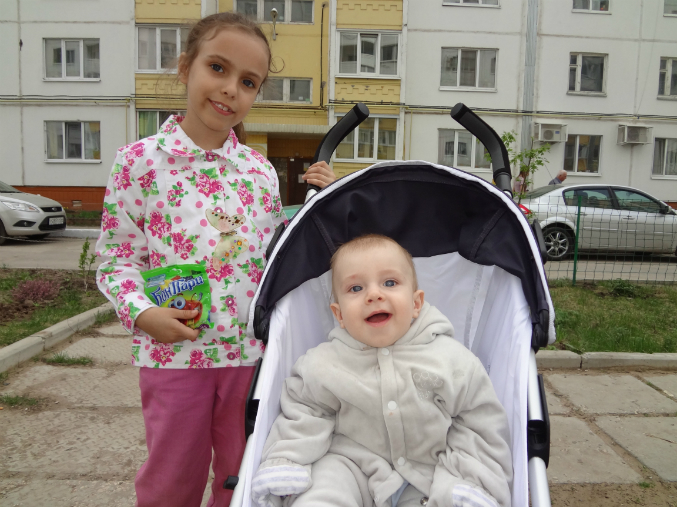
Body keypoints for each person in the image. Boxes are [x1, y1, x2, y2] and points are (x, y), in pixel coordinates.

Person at [95, 12, 336, 507]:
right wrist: (141, 312)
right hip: (174, 355)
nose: (230, 89)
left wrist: (324, 202)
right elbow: (117, 258)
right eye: (218, 68)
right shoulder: (139, 162)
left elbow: (273, 256)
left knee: (241, 474)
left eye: (248, 82)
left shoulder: (259, 171)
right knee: (172, 476)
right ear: (186, 68)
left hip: (249, 357)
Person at [251, 235, 513, 507]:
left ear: (416, 304)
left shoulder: (452, 360)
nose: (374, 295)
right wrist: (287, 459)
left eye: (390, 283)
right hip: (350, 465)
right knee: (323, 488)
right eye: (356, 288)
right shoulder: (323, 363)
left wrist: (469, 478)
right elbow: (304, 412)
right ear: (339, 315)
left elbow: (478, 422)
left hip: (427, 472)